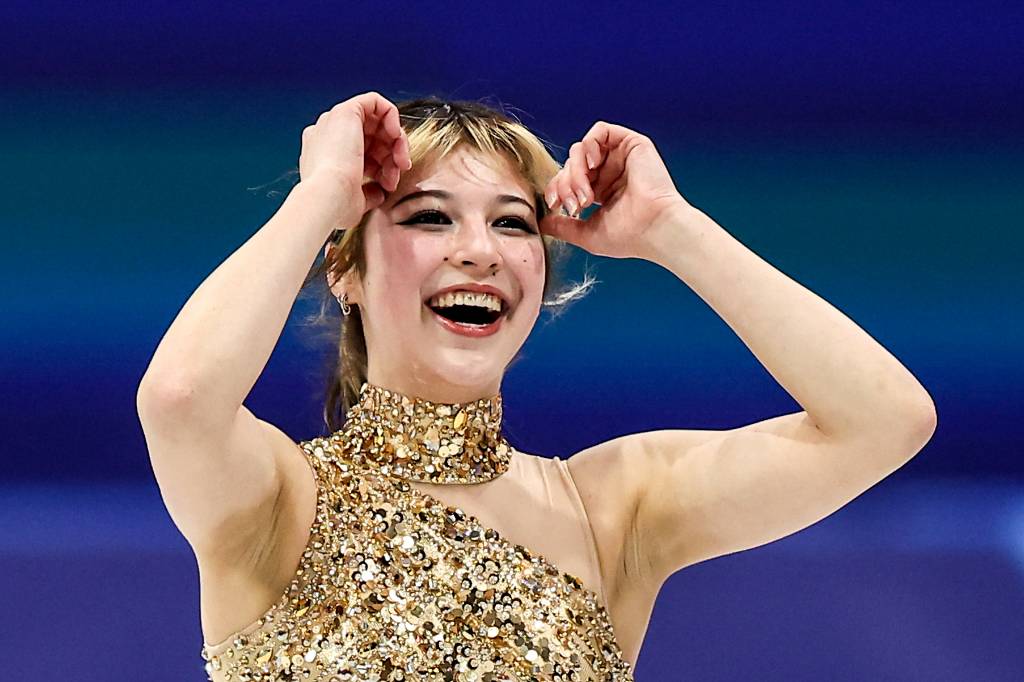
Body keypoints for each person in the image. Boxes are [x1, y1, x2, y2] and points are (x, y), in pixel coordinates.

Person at [137, 92, 937, 681]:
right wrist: (317, 198)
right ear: (345, 271)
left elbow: (883, 421)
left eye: (512, 223)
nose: (481, 251)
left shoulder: (612, 512)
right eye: (429, 217)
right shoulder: (279, 500)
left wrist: (671, 227)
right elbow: (178, 399)